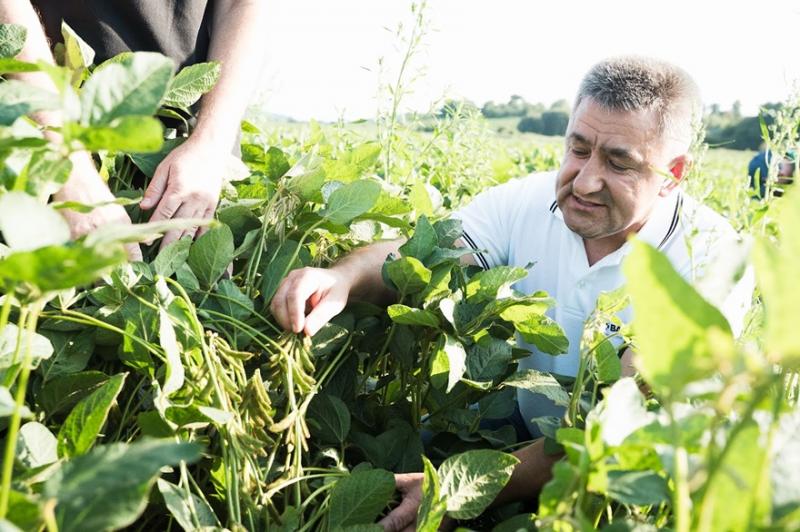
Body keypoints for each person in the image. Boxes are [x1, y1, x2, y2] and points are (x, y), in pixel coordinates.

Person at [270, 56, 755, 530]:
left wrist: (462, 490)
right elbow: (425, 253)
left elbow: (617, 423)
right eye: (579, 149)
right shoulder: (527, 201)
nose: (585, 180)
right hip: (515, 438)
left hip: (619, 491)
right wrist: (343, 279)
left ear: (674, 173)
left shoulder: (711, 260)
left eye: (619, 162)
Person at [0, 1, 268, 257]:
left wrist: (211, 145)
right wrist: (66, 165)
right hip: (40, 121)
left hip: (189, 160)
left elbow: (243, 4)